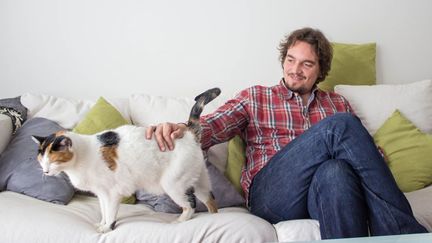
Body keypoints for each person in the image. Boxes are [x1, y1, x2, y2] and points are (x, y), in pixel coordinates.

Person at [145, 27, 427, 239]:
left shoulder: (336, 103)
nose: (295, 70)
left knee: (336, 171)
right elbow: (215, 125)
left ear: (321, 70)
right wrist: (182, 128)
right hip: (273, 196)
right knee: (339, 126)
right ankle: (404, 232)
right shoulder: (256, 97)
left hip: (322, 195)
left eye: (307, 64)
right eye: (291, 60)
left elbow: (368, 157)